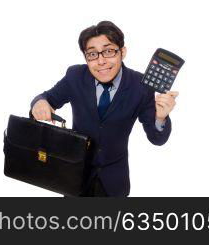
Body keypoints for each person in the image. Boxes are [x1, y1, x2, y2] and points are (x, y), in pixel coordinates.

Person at [29, 21, 178, 197]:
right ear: (86, 58)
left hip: (114, 181)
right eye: (92, 54)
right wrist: (39, 103)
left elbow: (157, 139)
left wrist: (160, 118)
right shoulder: (75, 76)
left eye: (108, 51)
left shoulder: (141, 87)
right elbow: (46, 98)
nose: (101, 61)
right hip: (75, 175)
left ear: (122, 52)